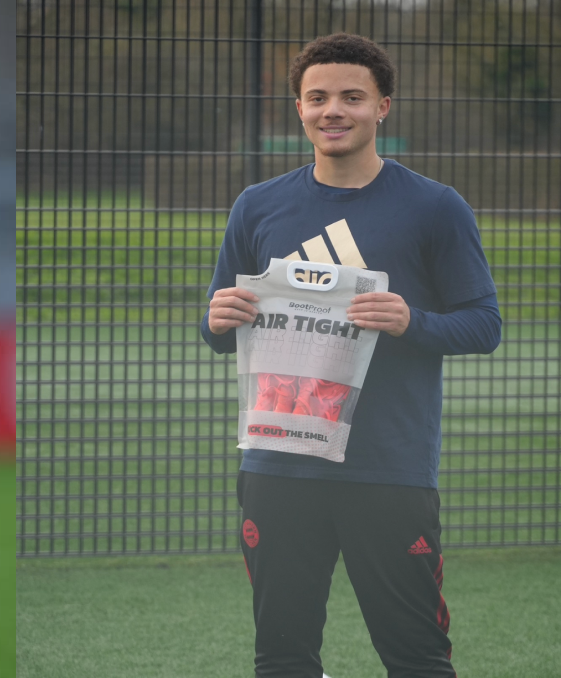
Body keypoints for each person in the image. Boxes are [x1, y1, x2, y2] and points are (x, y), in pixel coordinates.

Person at [202, 33, 500, 678]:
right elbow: (220, 325)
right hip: (278, 463)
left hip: (387, 468)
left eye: (351, 97)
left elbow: (484, 325)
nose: (332, 109)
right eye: (317, 97)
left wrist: (410, 320)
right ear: (299, 109)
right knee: (281, 657)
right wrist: (217, 318)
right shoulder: (258, 206)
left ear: (383, 107)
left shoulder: (434, 206)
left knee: (417, 658)